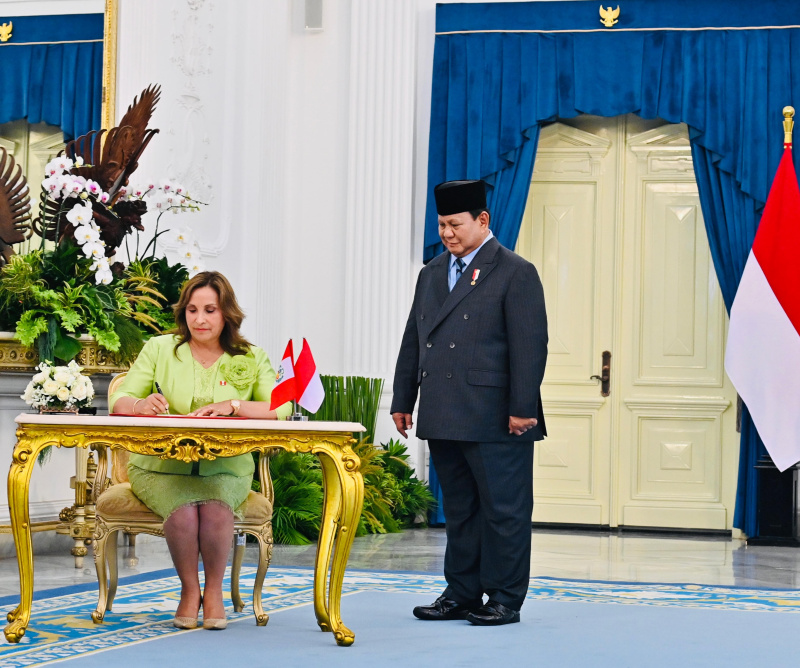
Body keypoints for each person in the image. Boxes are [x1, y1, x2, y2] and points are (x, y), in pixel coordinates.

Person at [391, 180, 548, 626]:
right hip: (444, 410)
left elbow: (530, 345)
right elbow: (414, 339)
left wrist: (523, 408)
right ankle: (461, 592)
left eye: (455, 224)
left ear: (483, 220)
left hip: (498, 415)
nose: (447, 233)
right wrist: (404, 398)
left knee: (504, 511)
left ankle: (504, 597)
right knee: (459, 511)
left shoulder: (516, 271)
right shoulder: (432, 272)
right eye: (441, 225)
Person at [110, 271, 291, 630]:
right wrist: (140, 404)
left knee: (216, 512)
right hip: (159, 467)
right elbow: (118, 398)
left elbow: (279, 406)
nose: (200, 319)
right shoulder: (159, 348)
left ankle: (213, 592)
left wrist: (234, 404)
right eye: (192, 310)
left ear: (226, 313)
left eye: (210, 309)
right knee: (183, 514)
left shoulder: (251, 356)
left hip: (227, 467)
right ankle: (189, 591)